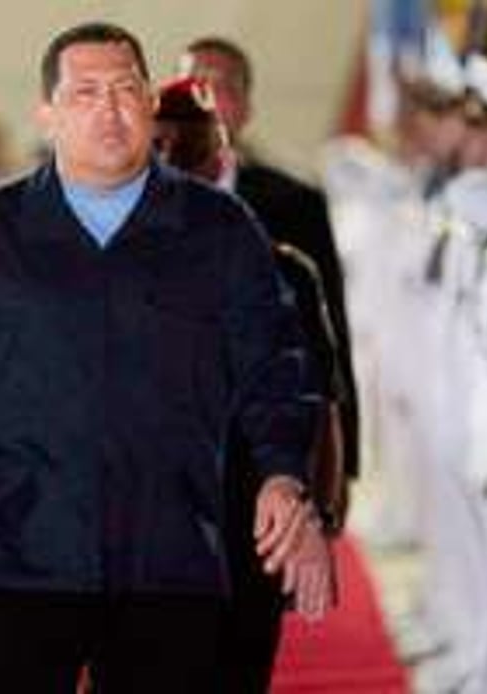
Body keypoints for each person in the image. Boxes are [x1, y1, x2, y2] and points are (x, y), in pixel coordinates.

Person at [0, 22, 324, 693]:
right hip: (29, 557)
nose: (108, 109)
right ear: (47, 113)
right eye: (84, 92)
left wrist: (281, 474)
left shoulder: (217, 230)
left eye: (124, 90)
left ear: (150, 104)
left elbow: (276, 368)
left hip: (171, 556)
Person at [152, 74, 339, 692]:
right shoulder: (104, 264)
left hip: (245, 513)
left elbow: (314, 390)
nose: (173, 158)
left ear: (220, 151)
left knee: (239, 665)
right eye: (162, 145)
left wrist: (320, 503)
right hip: (139, 520)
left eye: (189, 144)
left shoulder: (276, 263)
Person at [179, 37, 360, 495]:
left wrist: (343, 462)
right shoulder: (143, 203)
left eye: (220, 86)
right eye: (193, 84)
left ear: (245, 107)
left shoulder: (296, 204)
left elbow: (330, 331)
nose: (206, 99)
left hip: (268, 451)